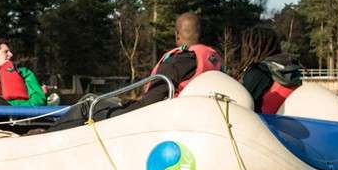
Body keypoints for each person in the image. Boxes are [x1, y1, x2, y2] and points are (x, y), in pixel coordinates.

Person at [47, 12, 222, 131]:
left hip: (152, 123)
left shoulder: (175, 63)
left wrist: (127, 104)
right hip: (186, 120)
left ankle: (44, 139)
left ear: (177, 35)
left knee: (88, 104)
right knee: (109, 101)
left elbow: (148, 106)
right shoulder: (212, 61)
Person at [235, 25, 302, 114]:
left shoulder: (258, 72)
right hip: (284, 123)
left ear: (252, 47)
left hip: (260, 123)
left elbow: (239, 105)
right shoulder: (290, 70)